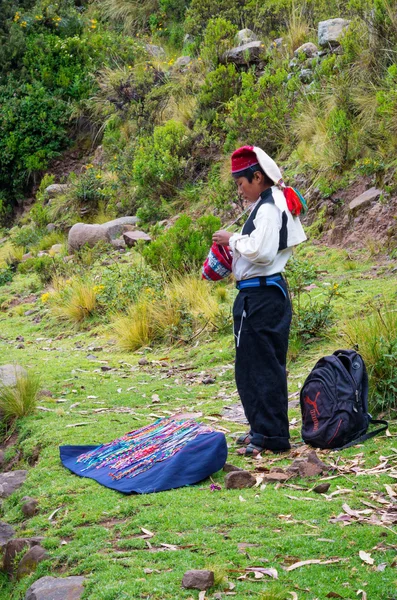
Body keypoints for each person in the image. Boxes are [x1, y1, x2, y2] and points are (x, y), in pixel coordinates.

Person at [212, 146, 307, 456]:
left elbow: (263, 252)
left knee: (259, 366)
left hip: (261, 296)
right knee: (258, 364)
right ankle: (262, 429)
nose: (239, 190)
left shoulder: (267, 208)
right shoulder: (270, 202)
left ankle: (270, 437)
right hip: (266, 293)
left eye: (241, 183)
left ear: (257, 177)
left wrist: (232, 240)